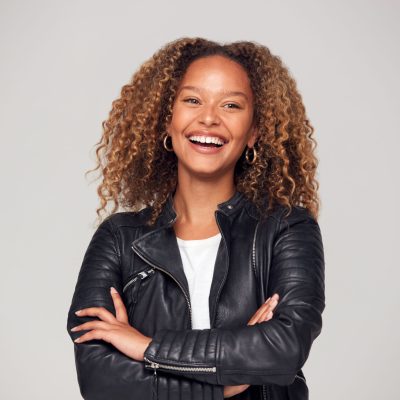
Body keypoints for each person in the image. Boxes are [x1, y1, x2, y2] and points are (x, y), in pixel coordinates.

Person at [66, 37, 325, 400]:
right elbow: (100, 382)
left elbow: (284, 349)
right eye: (192, 100)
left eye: (231, 105)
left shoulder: (286, 229)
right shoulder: (119, 239)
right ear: (166, 121)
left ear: (254, 132)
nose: (209, 117)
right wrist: (229, 380)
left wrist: (145, 348)